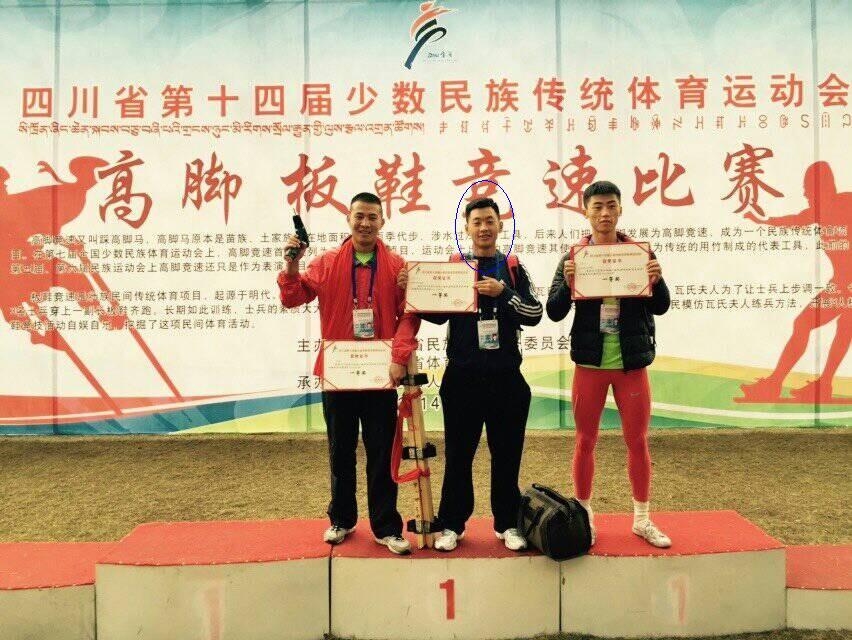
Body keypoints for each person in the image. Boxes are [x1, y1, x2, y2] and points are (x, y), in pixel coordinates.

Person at [278, 192, 420, 555]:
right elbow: (292, 297)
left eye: (372, 217)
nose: (365, 223)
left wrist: (400, 356)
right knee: (340, 451)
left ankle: (386, 526)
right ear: (349, 219)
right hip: (339, 375)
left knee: (381, 453)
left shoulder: (397, 267)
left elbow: (409, 315)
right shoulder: (326, 263)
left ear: (382, 221)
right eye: (359, 216)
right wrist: (292, 265)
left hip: (380, 375)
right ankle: (341, 519)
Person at [404, 196, 543, 552]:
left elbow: (534, 314)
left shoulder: (512, 267)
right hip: (462, 380)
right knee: (458, 456)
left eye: (489, 221)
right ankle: (452, 524)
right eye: (477, 222)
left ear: (500, 226)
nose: (483, 228)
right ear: (466, 227)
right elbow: (434, 313)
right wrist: (411, 287)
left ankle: (507, 523)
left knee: (507, 455)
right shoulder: (455, 267)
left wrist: (504, 293)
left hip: (507, 379)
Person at [546, 181, 672, 548]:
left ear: (620, 209)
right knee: (585, 441)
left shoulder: (639, 254)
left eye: (611, 205)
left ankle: (642, 519)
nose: (604, 213)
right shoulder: (573, 258)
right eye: (597, 206)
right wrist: (568, 285)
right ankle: (583, 517)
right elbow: (554, 311)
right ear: (585, 211)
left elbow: (661, 306)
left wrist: (657, 280)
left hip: (631, 365)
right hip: (591, 365)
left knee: (637, 441)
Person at [740, 161, 850, 402]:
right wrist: (763, 221)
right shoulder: (819, 212)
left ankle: (814, 384)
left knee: (843, 326)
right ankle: (779, 383)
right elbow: (794, 220)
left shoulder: (847, 203)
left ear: (821, 187)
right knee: (806, 323)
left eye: (807, 188)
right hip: (840, 284)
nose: (805, 194)